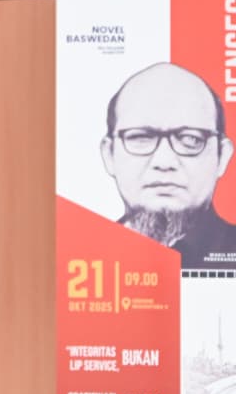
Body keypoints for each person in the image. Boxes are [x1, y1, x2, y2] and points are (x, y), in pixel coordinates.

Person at [100, 62, 236, 267]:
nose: (164, 162)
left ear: (222, 156)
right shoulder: (83, 251)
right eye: (140, 137)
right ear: (109, 154)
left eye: (191, 139)